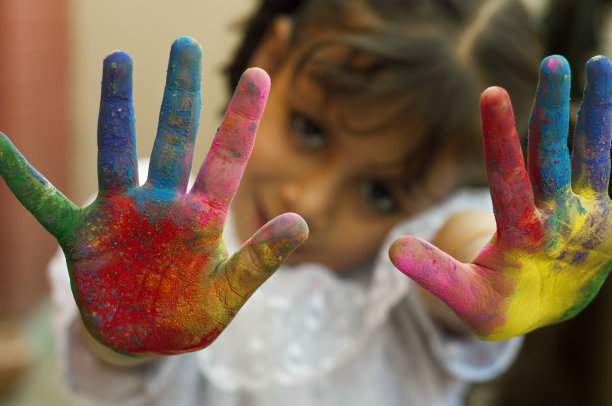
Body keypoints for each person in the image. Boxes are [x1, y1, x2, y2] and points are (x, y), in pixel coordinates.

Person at [1, 0, 610, 405]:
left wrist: (497, 263)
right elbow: (112, 371)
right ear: (271, 51)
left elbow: (467, 249)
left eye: (381, 191)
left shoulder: (408, 266)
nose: (307, 200)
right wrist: (125, 333)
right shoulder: (149, 224)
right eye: (310, 128)